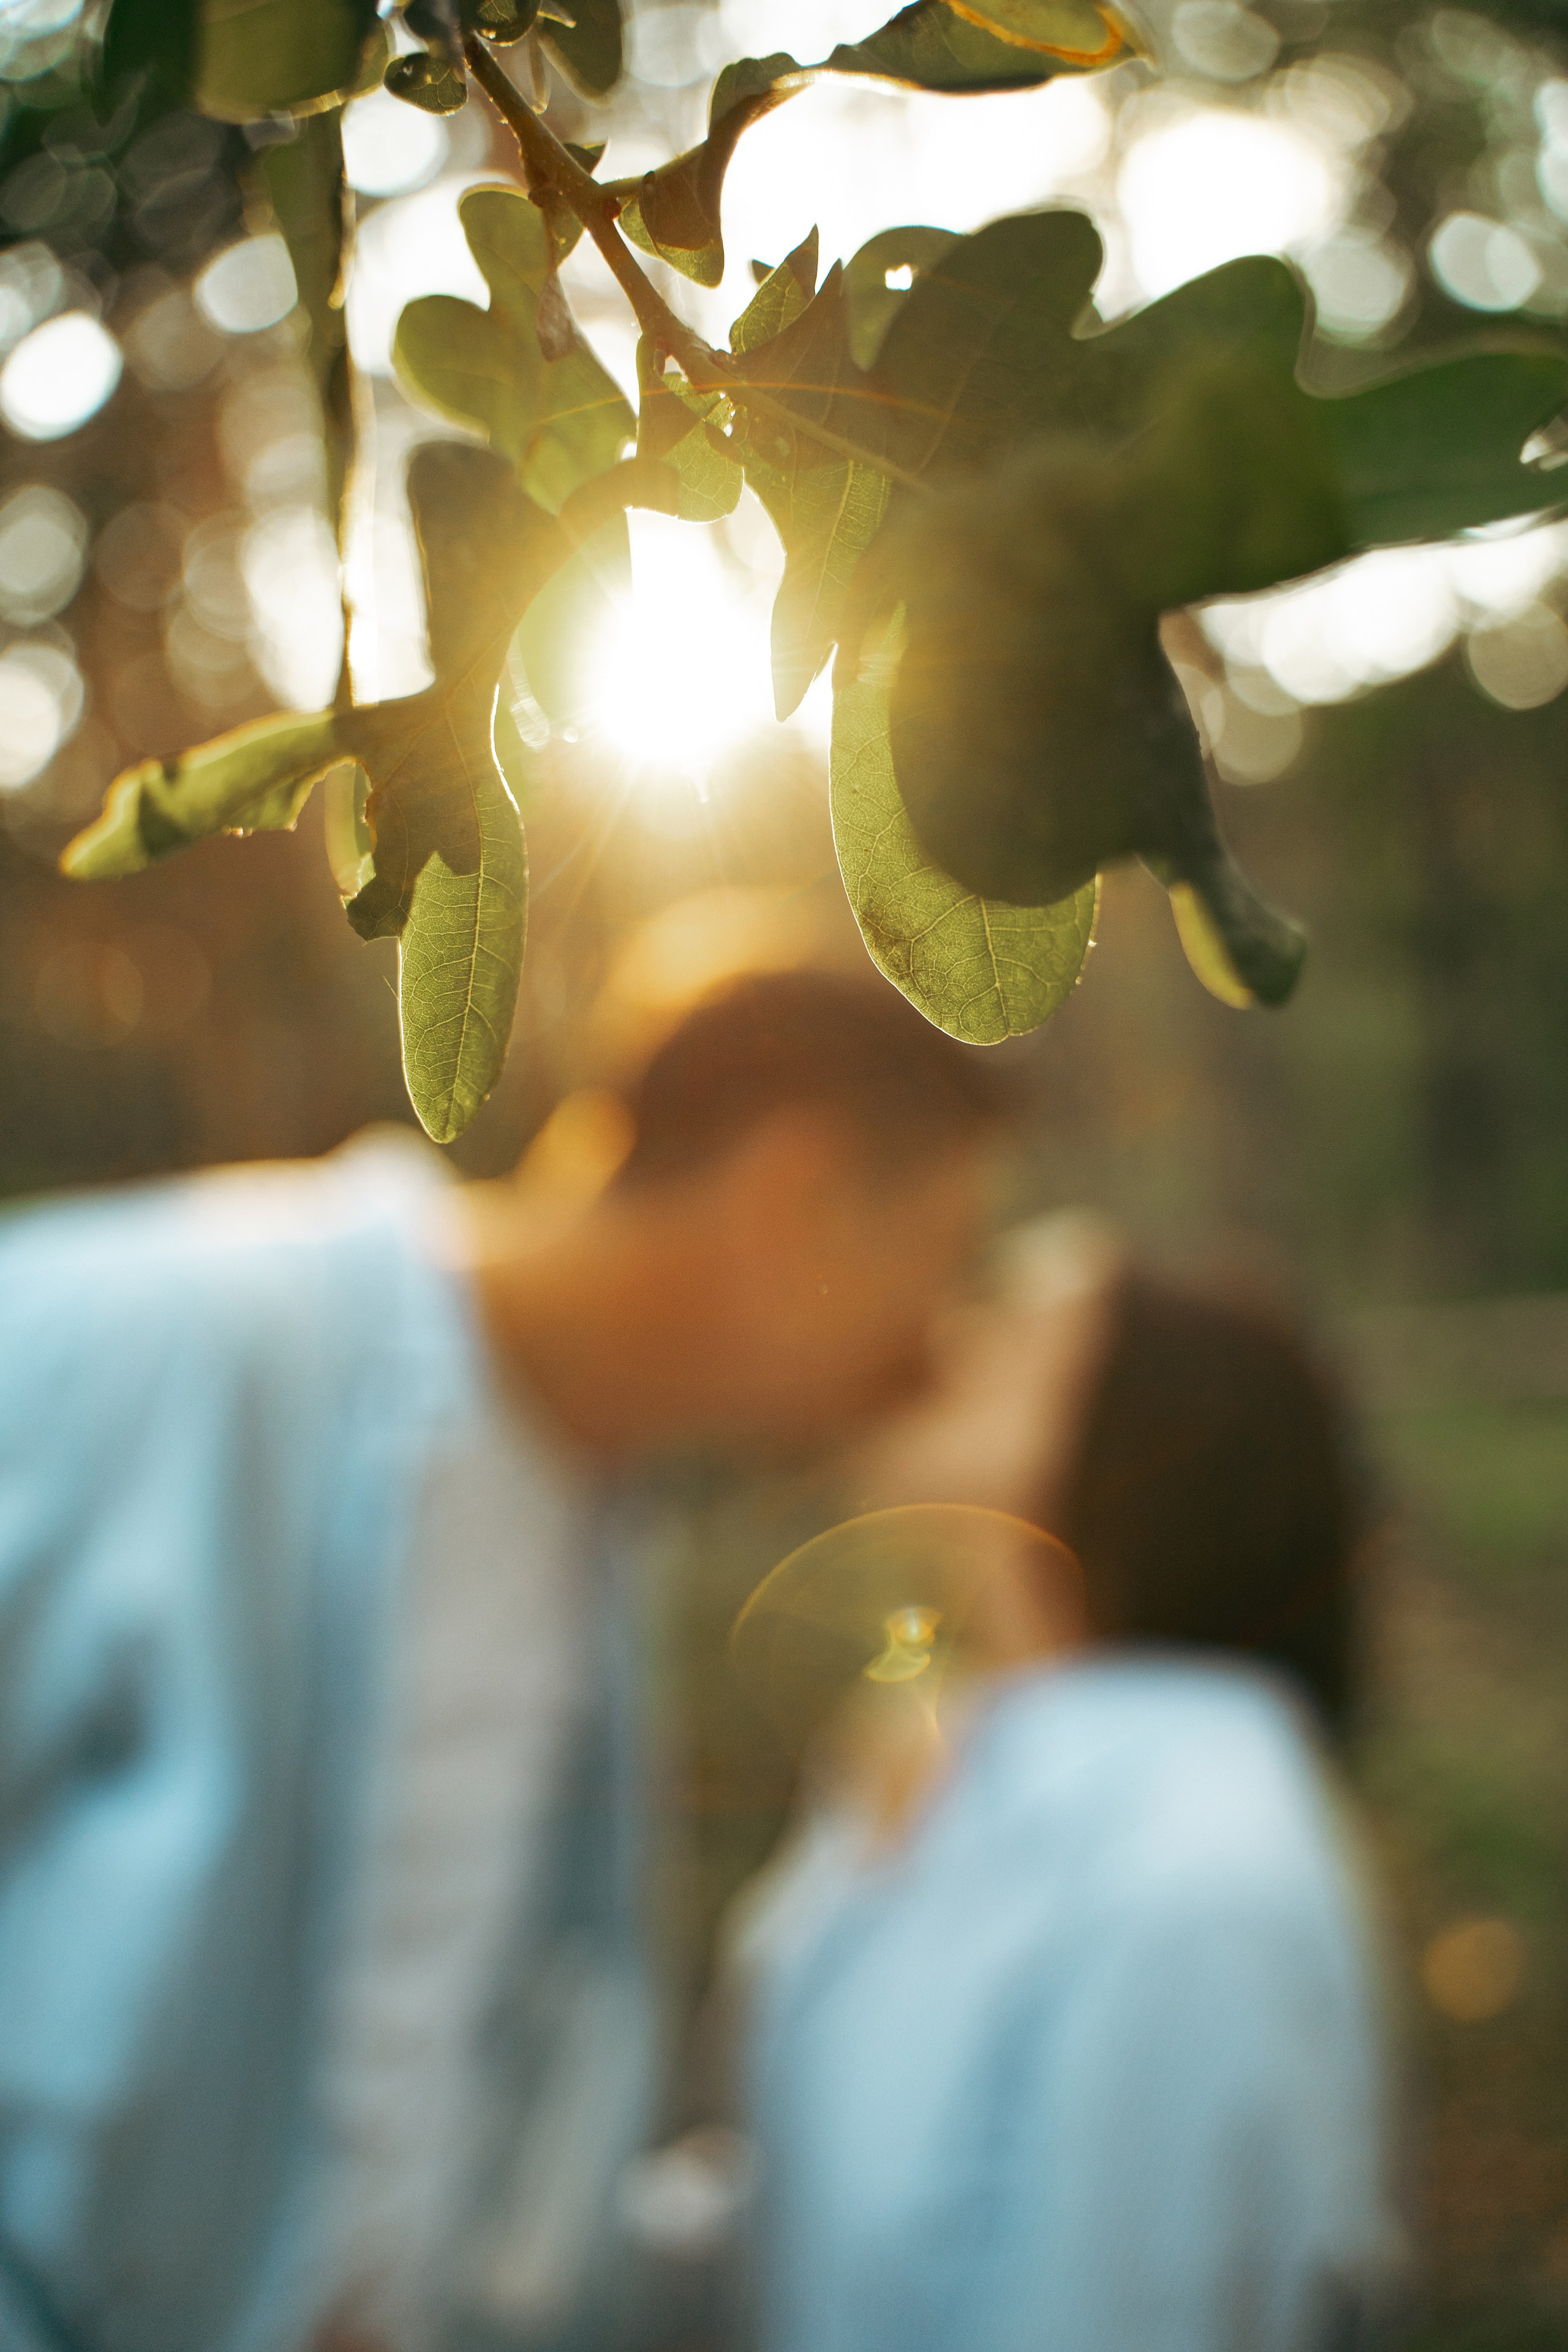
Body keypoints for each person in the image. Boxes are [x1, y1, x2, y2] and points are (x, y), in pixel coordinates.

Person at [0, 969, 1007, 2352]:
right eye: (945, 1262)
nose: (939, 1356)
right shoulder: (147, 1342)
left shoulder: (596, 1532)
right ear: (798, 1198)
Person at [736, 1226, 1404, 2352]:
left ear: (1155, 1436)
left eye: (1011, 1318)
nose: (946, 1332)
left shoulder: (1198, 1879)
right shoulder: (928, 1779)